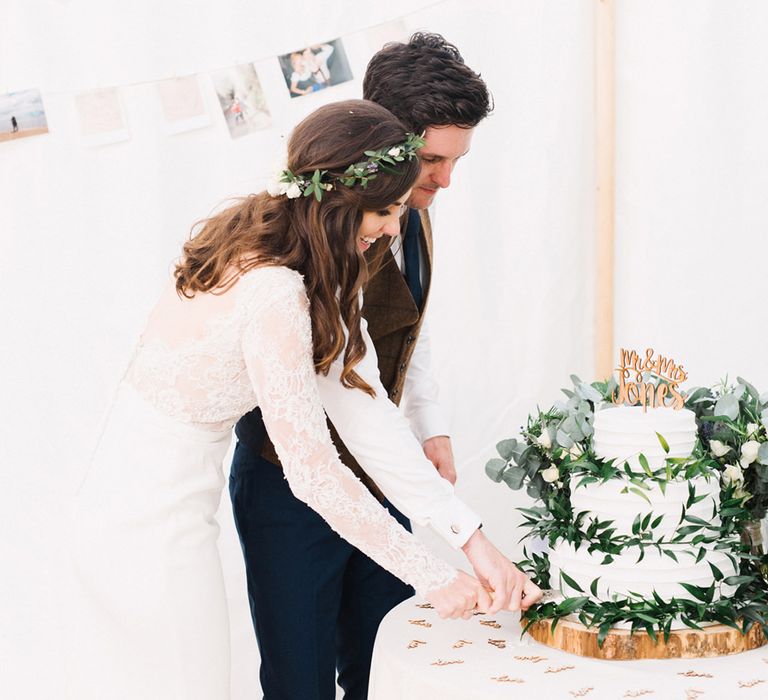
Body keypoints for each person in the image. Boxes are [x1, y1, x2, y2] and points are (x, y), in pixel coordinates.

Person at [69, 99, 537, 700]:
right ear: (341, 206)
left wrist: (472, 542)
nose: (395, 227)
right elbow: (314, 474)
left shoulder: (279, 253)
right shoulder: (273, 292)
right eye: (387, 210)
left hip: (151, 509)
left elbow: (364, 409)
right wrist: (430, 574)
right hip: (141, 529)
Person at [231, 34, 538, 700]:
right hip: (288, 482)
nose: (444, 181)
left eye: (456, 162)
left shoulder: (412, 219)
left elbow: (409, 327)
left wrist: (430, 425)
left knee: (385, 668)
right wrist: (466, 534)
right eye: (431, 161)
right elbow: (347, 383)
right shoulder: (296, 252)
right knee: (300, 682)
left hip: (384, 477)